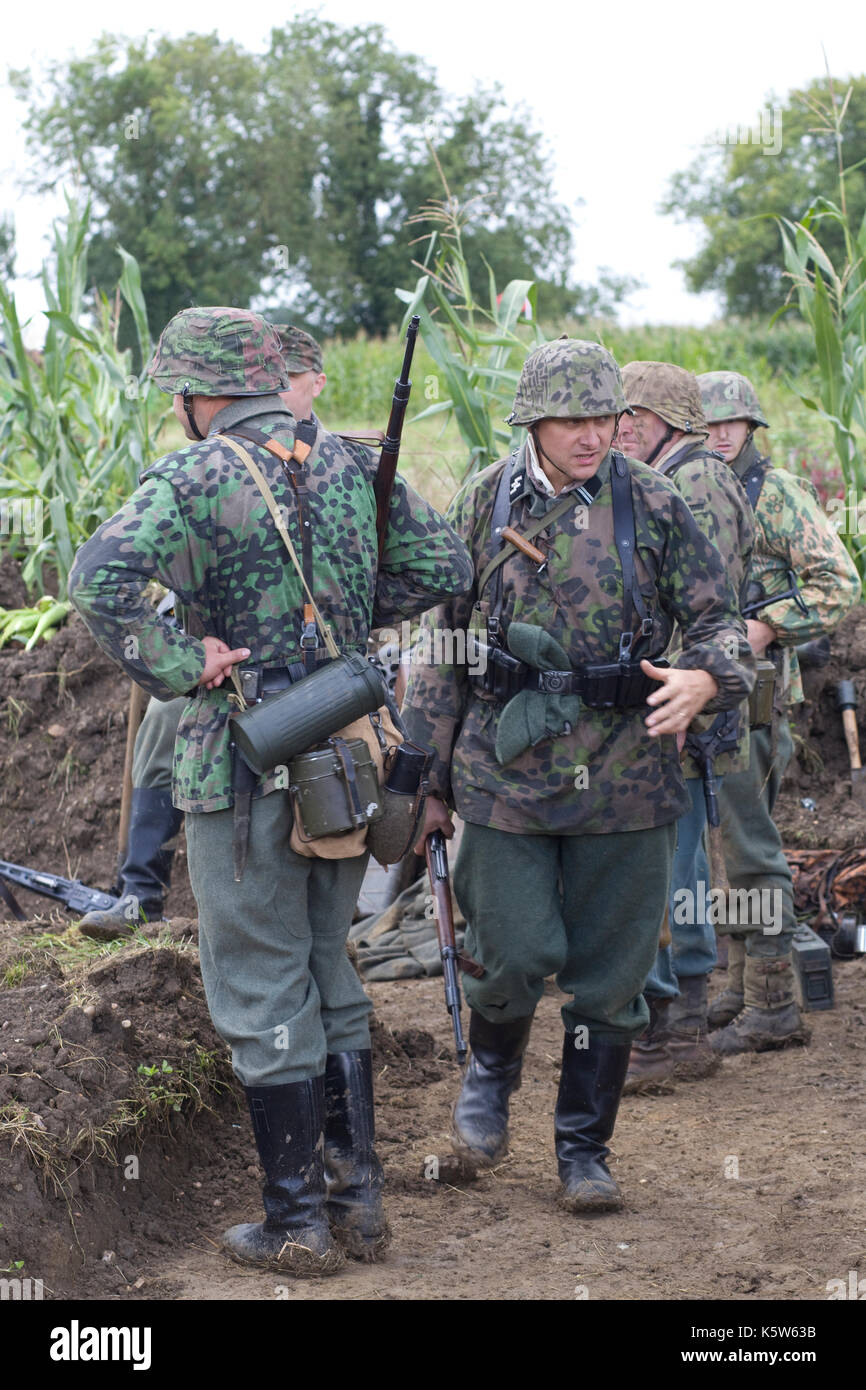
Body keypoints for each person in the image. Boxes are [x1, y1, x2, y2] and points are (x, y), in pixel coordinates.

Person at [67, 306, 473, 1276]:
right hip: (345, 759)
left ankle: (295, 1224)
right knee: (327, 966)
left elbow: (96, 578)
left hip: (243, 761)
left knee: (257, 984)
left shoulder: (199, 473)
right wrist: (336, 633)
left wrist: (182, 657)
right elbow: (444, 565)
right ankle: (358, 1204)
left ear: (199, 394)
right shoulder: (346, 463)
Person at [402, 338, 754, 1213]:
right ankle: (490, 1075)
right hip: (505, 767)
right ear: (534, 421)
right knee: (516, 953)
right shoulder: (487, 499)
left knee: (609, 979)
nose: (594, 435)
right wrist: (424, 784)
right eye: (573, 420)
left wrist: (708, 677)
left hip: (628, 772)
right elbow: (439, 648)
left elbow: (720, 623)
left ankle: (582, 1149)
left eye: (607, 417)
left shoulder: (657, 500)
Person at [77, 326, 331, 940]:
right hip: (230, 661)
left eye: (289, 383)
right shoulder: (216, 468)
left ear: (314, 385)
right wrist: (185, 652)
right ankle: (142, 890)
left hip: (320, 673)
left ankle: (307, 933)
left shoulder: (336, 462)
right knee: (163, 732)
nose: (277, 395)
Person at [696, 371, 860, 1053]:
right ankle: (737, 984)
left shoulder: (776, 491)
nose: (724, 433)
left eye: (735, 423)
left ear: (752, 428)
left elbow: (840, 581)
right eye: (711, 423)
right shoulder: (701, 489)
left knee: (751, 850)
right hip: (714, 700)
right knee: (722, 853)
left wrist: (767, 628)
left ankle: (771, 1005)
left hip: (757, 703)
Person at [614, 361, 755, 1090]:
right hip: (692, 700)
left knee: (675, 868)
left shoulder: (691, 482)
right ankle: (678, 1022)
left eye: (629, 419)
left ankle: (674, 1028)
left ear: (659, 421)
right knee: (682, 864)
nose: (618, 432)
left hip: (684, 704)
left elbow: (698, 607)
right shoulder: (703, 474)